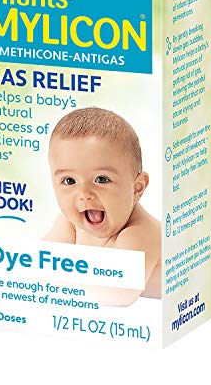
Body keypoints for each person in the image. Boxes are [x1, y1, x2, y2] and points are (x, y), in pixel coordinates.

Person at [43, 107, 161, 305]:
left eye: (102, 179)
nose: (84, 194)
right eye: (69, 181)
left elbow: (118, 294)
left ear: (137, 187)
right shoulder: (70, 223)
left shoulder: (140, 233)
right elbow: (40, 262)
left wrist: (57, 281)